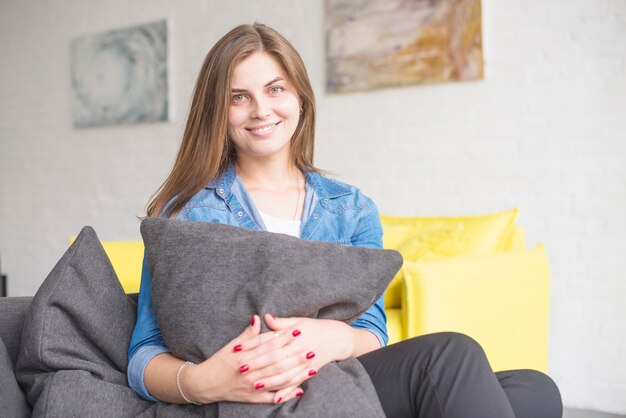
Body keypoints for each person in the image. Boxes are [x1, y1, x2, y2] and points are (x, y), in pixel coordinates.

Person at [128, 23, 562, 418]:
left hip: (337, 377)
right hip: (254, 398)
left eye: (275, 89)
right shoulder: (186, 212)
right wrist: (204, 383)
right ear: (217, 113)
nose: (261, 109)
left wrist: (332, 338)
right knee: (451, 355)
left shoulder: (350, 208)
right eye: (238, 97)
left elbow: (371, 330)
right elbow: (145, 355)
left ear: (300, 97)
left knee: (534, 390)